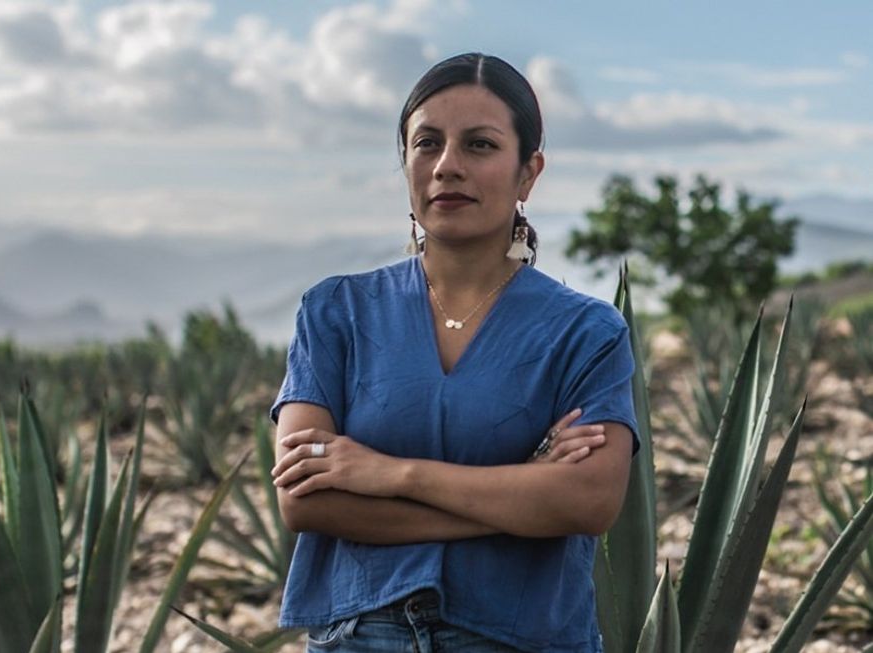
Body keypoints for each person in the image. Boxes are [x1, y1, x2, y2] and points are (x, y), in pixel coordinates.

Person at [269, 52, 638, 653]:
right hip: (360, 638)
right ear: (406, 164)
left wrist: (391, 474)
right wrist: (518, 496)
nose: (447, 167)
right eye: (427, 144)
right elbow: (305, 498)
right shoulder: (336, 313)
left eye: (480, 146)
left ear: (528, 174)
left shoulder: (585, 332)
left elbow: (589, 499)